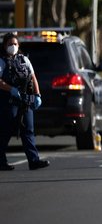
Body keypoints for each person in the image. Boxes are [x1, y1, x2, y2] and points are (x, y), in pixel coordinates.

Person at [0, 33, 50, 171]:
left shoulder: (24, 60)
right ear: (4, 46)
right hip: (9, 101)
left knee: (28, 130)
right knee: (5, 130)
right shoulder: (2, 61)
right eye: (10, 44)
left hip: (25, 100)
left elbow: (33, 77)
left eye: (15, 44)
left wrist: (37, 94)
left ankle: (34, 161)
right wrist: (11, 89)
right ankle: (1, 161)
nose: (13, 46)